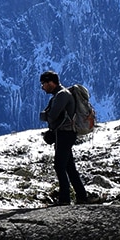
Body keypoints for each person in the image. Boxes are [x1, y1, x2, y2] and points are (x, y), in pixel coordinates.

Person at [38, 70, 90, 205]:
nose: (43, 87)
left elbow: (52, 116)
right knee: (69, 167)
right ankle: (81, 196)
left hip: (64, 134)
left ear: (51, 82)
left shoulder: (62, 95)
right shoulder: (60, 95)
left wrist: (44, 115)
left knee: (59, 166)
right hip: (65, 134)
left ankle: (64, 199)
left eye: (43, 84)